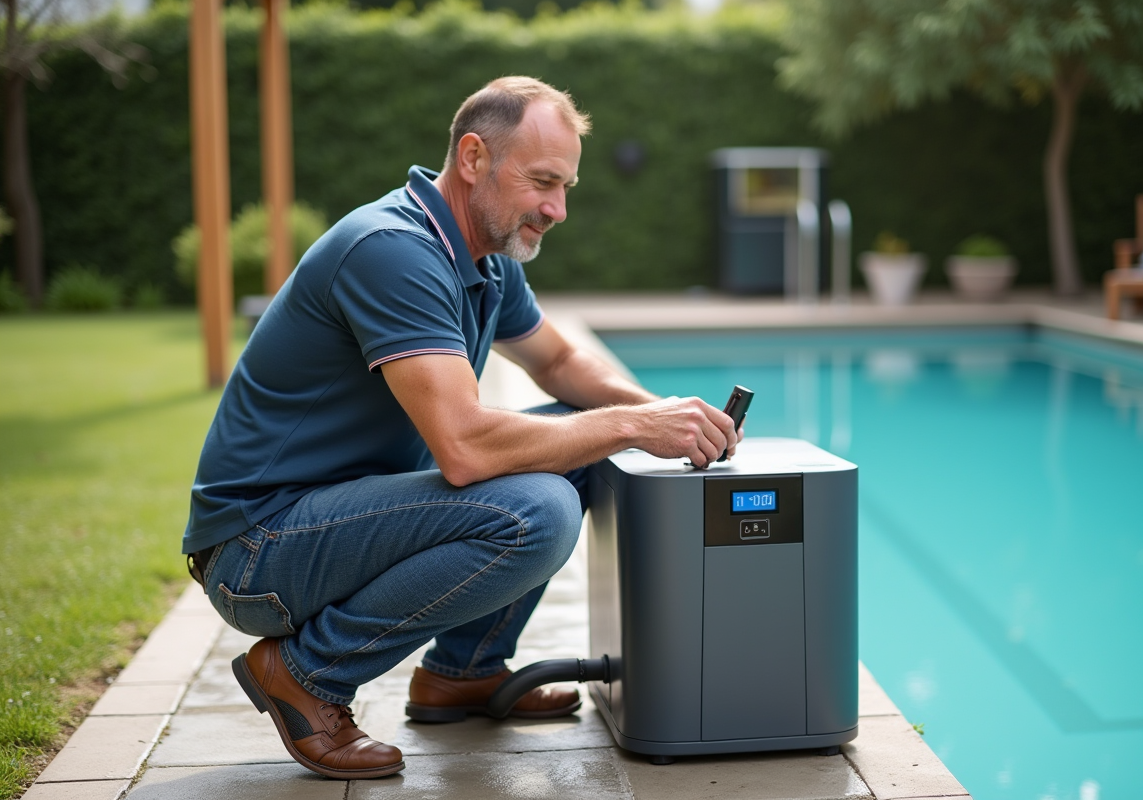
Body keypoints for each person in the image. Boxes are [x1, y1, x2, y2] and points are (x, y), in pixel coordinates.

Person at [182, 76, 740, 780]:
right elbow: (466, 449)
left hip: (332, 519)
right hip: (257, 551)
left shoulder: (481, 254)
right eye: (543, 181)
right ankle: (304, 673)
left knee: (581, 441)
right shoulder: (393, 250)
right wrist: (631, 423)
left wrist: (667, 416)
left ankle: (465, 671)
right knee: (535, 510)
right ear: (474, 158)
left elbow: (561, 362)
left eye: (567, 186)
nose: (558, 208)